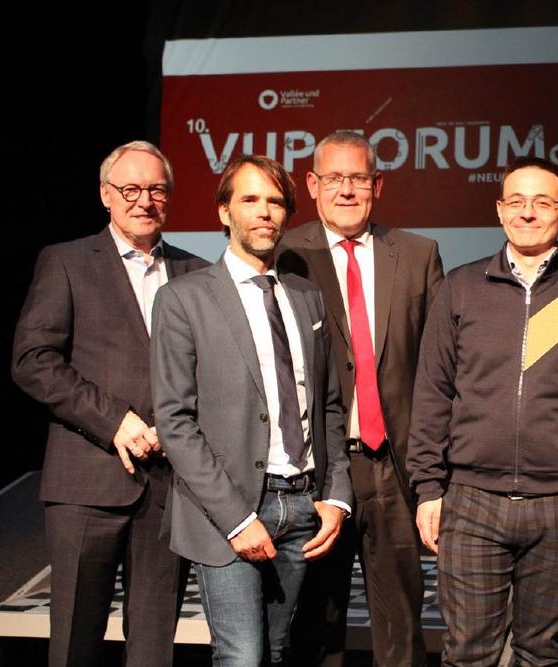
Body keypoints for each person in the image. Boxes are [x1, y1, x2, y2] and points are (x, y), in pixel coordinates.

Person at [408, 156, 558, 665]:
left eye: (542, 202)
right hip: (472, 501)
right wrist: (427, 489)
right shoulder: (460, 288)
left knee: (541, 653)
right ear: (499, 209)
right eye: (516, 201)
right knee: (468, 653)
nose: (527, 212)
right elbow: (432, 395)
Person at [150, 155, 352, 666]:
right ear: (224, 211)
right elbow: (174, 420)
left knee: (278, 652)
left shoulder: (307, 297)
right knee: (241, 655)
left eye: (276, 202)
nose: (265, 212)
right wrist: (237, 519)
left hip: (303, 505)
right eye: (250, 200)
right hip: (228, 509)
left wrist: (336, 495)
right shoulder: (183, 299)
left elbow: (328, 405)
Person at [11, 140, 208, 666]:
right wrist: (114, 421)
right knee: (75, 643)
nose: (144, 200)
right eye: (130, 188)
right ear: (105, 194)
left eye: (156, 189)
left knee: (154, 650)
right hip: (86, 483)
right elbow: (33, 360)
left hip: (169, 486)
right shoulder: (67, 261)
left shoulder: (198, 272)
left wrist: (182, 427)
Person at [278, 131, 443, 666]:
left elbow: (440, 367)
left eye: (358, 178)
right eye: (333, 178)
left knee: (401, 632)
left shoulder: (418, 254)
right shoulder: (284, 256)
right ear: (312, 184)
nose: (346, 190)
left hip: (395, 468)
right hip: (317, 469)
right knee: (314, 624)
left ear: (378, 185)